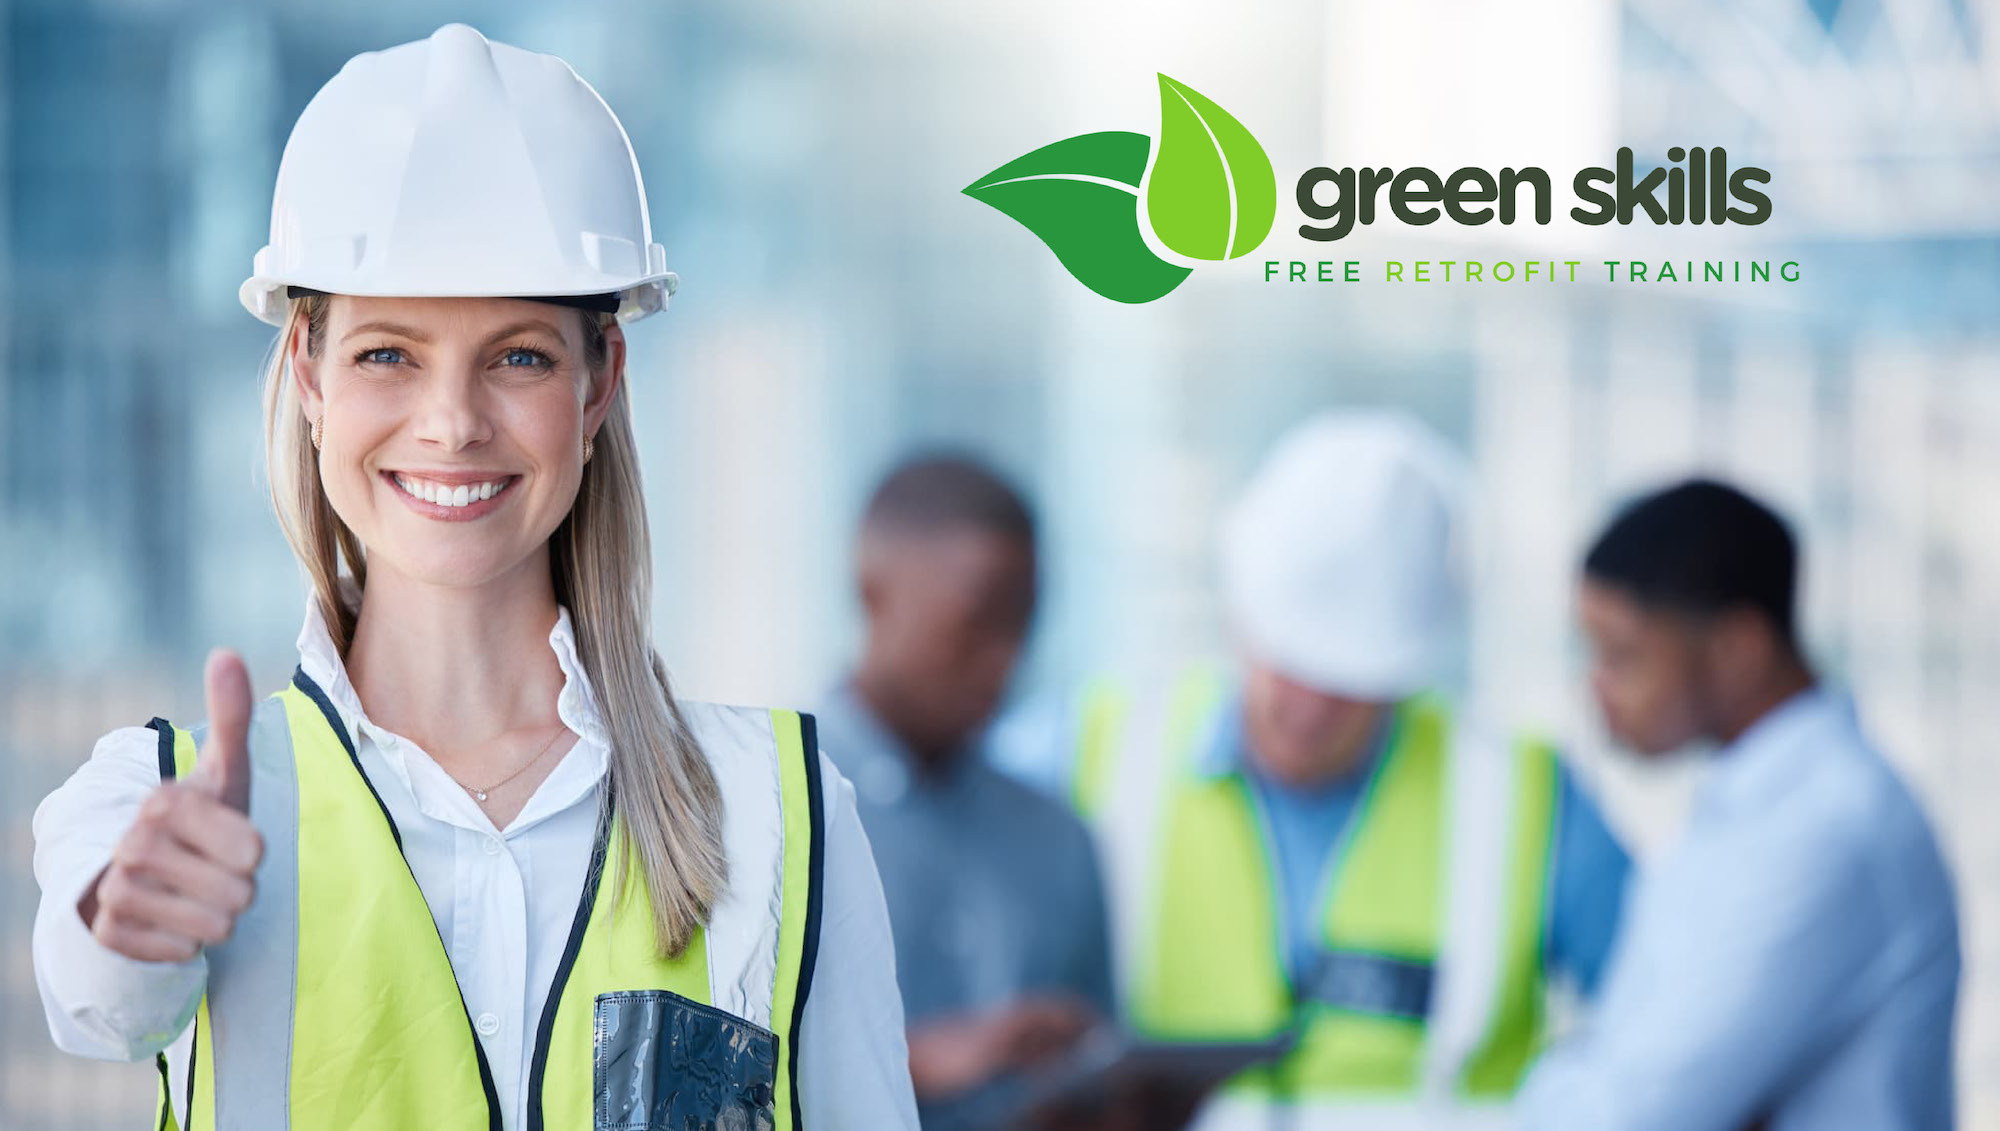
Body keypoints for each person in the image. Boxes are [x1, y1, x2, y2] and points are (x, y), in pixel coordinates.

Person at [30, 24, 917, 1131]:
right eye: (386, 354)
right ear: (307, 373)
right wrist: (135, 919)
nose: (451, 424)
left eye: (519, 357)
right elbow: (103, 999)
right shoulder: (167, 801)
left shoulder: (775, 811)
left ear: (600, 385)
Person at [1044, 411, 1631, 1129]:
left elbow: (1668, 1037)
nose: (1311, 703)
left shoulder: (1526, 796)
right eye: (1290, 658)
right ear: (1239, 615)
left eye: (1349, 675)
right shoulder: (1096, 745)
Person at [1516, 479, 1960, 1131]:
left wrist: (1561, 1078)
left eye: (1624, 655)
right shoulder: (1753, 809)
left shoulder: (1826, 829)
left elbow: (1636, 1112)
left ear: (1738, 647)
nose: (1598, 686)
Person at [815, 456, 1116, 1129]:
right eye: (975, 622)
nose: (1005, 659)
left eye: (1023, 623)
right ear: (874, 590)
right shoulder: (757, 811)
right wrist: (916, 1058)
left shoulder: (1062, 838)